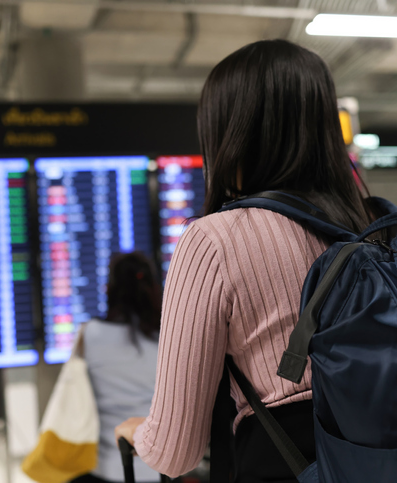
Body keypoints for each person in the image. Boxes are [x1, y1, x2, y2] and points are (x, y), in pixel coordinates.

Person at [115, 39, 378, 481]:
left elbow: (175, 452)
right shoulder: (376, 230)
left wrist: (138, 434)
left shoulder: (214, 241)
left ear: (230, 136)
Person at [73, 252, 162, 483]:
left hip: (105, 470)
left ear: (109, 290)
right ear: (153, 288)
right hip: (161, 471)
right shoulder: (169, 340)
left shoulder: (89, 334)